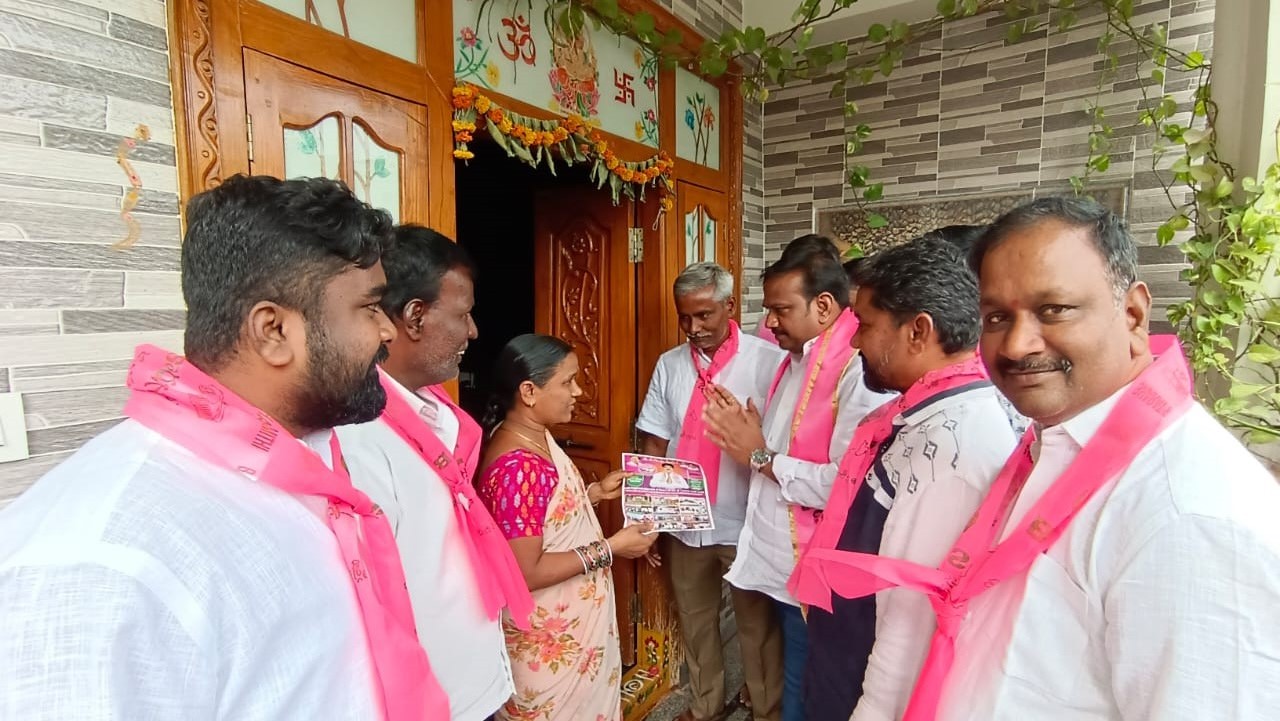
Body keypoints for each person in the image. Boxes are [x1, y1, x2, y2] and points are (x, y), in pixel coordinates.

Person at [799, 196, 1280, 720]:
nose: (1017, 345)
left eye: (1054, 310)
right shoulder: (1052, 444)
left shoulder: (1188, 510)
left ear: (1134, 314)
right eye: (997, 317)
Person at [0, 175, 441, 719]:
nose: (389, 332)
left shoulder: (310, 451)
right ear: (273, 331)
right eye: (369, 308)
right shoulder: (101, 567)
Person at [788, 233, 1020, 721]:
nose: (853, 341)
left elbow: (910, 621)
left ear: (918, 331)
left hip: (869, 691)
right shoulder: (929, 415)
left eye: (866, 325)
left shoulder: (954, 450)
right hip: (847, 665)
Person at [336, 225, 534, 721]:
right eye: (464, 315)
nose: (474, 332)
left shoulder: (440, 418)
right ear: (415, 316)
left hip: (476, 681)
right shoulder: (358, 440)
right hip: (433, 702)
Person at [702, 235, 893, 721]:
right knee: (792, 674)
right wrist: (753, 434)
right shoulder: (799, 358)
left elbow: (844, 483)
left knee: (810, 690)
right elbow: (786, 445)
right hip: (778, 558)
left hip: (815, 563)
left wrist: (760, 453)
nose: (768, 323)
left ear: (824, 305)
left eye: (780, 310)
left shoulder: (856, 370)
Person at [476, 334, 659, 721]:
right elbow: (526, 570)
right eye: (567, 382)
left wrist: (591, 494)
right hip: (547, 645)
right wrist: (612, 548)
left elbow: (537, 520)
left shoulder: (531, 437)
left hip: (570, 632)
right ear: (529, 391)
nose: (577, 391)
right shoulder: (518, 467)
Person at [636, 262, 786, 721]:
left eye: (704, 315)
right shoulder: (670, 364)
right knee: (696, 622)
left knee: (756, 628)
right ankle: (705, 707)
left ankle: (765, 710)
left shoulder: (769, 362)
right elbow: (655, 440)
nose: (693, 328)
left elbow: (780, 445)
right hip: (684, 523)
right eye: (685, 317)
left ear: (730, 306)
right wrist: (650, 517)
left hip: (745, 520)